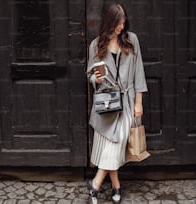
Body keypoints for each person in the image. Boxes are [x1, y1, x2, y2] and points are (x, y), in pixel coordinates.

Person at [86, 3, 148, 204]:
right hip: (107, 106)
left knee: (117, 141)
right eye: (118, 22)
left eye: (124, 22)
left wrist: (139, 101)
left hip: (128, 103)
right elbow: (90, 76)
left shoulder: (132, 41)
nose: (122, 26)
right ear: (109, 21)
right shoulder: (96, 45)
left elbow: (139, 72)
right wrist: (96, 79)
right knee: (111, 145)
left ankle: (95, 184)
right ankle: (116, 185)